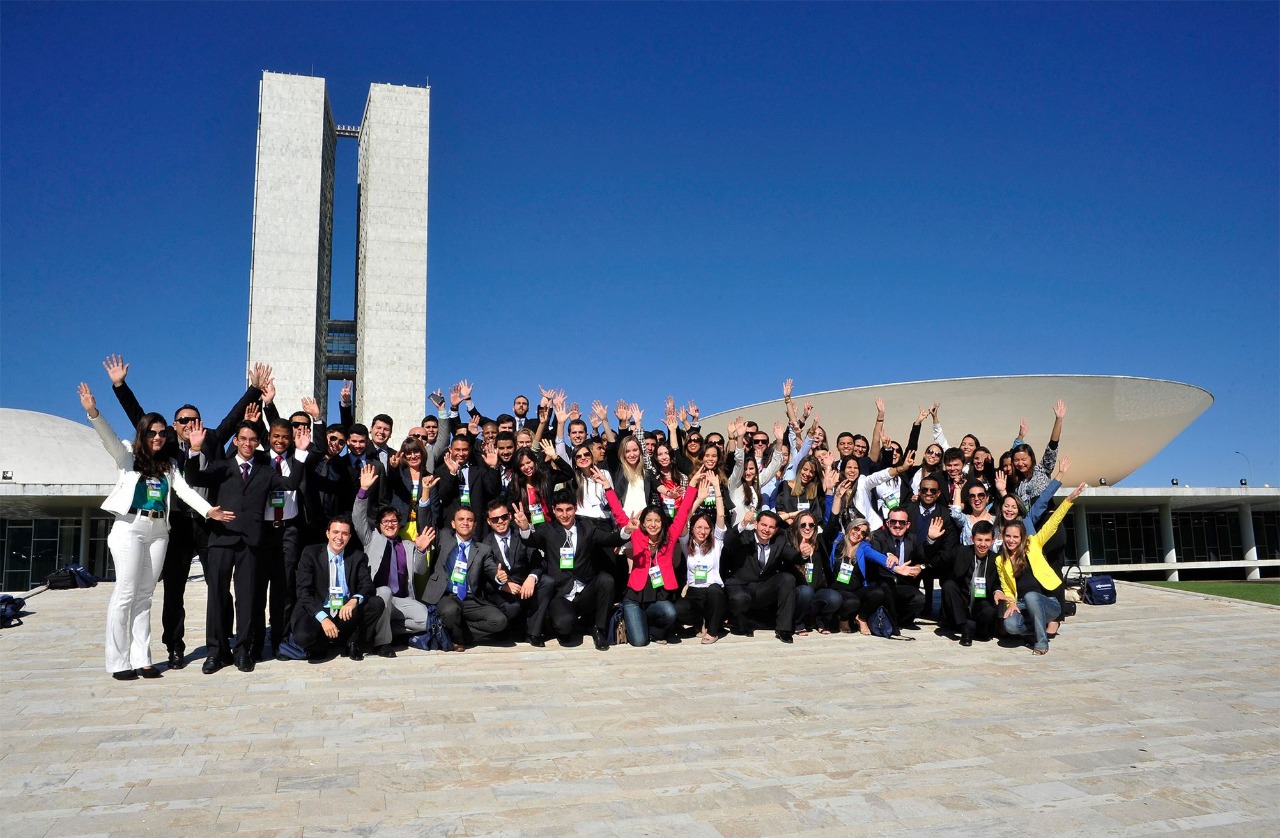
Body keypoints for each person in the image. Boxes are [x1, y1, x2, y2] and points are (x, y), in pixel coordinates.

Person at [101, 355, 265, 669]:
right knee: (173, 591)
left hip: (209, 524)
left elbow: (234, 418)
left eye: (194, 419)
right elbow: (139, 417)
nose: (190, 424)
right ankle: (175, 647)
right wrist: (120, 386)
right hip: (174, 526)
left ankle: (224, 645)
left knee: (219, 588)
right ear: (175, 426)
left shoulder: (214, 439)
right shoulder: (167, 448)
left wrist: (254, 390)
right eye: (183, 421)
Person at [79, 383, 234, 680]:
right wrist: (93, 413)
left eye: (162, 433)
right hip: (130, 528)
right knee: (125, 593)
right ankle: (118, 661)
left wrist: (208, 510)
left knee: (145, 596)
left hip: (159, 530)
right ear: (143, 434)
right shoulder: (127, 457)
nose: (158, 437)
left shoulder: (168, 466)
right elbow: (107, 436)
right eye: (153, 432)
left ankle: (143, 658)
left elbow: (185, 491)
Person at [184, 418, 308, 674]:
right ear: (236, 441)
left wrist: (302, 452)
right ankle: (216, 652)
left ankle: (243, 651)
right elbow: (194, 476)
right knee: (217, 595)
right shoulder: (223, 467)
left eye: (253, 439)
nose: (248, 443)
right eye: (244, 439)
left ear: (258, 443)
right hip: (221, 538)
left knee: (248, 598)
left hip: (251, 543)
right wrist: (195, 450)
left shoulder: (265, 472)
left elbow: (291, 484)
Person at [603, 468, 705, 647]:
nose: (653, 524)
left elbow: (683, 512)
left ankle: (651, 628)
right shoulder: (637, 536)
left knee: (670, 612)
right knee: (639, 642)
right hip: (634, 598)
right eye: (648, 520)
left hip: (657, 597)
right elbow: (618, 513)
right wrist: (607, 488)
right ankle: (631, 617)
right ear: (642, 523)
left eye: (657, 520)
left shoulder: (670, 536)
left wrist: (693, 484)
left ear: (662, 523)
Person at [515, 489, 623, 650]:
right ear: (553, 510)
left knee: (606, 580)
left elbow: (608, 539)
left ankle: (599, 629)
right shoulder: (548, 529)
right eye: (559, 510)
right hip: (561, 594)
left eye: (568, 509)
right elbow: (532, 540)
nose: (564, 515)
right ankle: (566, 623)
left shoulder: (587, 527)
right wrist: (524, 527)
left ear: (575, 508)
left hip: (585, 590)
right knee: (565, 627)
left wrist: (627, 531)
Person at [351, 465, 434, 655]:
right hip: (378, 597)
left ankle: (380, 630)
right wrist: (363, 490)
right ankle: (382, 644)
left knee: (426, 618)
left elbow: (420, 571)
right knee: (386, 592)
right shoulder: (371, 538)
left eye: (394, 521)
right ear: (379, 525)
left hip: (401, 601)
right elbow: (358, 518)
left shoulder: (407, 545)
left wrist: (421, 550)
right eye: (385, 522)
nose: (390, 525)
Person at [994, 483, 1086, 654]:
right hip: (1022, 604)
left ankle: (1041, 642)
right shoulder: (1001, 560)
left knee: (1031, 596)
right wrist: (1011, 604)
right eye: (1008, 536)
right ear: (1003, 536)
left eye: (1016, 537)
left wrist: (1068, 500)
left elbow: (1052, 524)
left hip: (1048, 602)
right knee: (1010, 625)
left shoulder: (1033, 544)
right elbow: (1007, 587)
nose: (1011, 540)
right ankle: (1034, 630)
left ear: (1022, 537)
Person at [291, 515, 385, 661]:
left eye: (344, 533)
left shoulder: (358, 556)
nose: (339, 537)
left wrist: (354, 600)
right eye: (335, 532)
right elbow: (303, 592)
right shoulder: (310, 553)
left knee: (376, 604)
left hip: (345, 609)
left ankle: (352, 641)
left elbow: (367, 585)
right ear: (327, 533)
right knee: (303, 637)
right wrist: (323, 619)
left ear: (349, 537)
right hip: (319, 608)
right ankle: (324, 644)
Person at [421, 506, 508, 650]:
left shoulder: (483, 550)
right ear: (453, 524)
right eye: (461, 519)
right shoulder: (443, 538)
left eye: (470, 520)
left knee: (499, 621)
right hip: (447, 595)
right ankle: (456, 638)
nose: (465, 523)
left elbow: (492, 568)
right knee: (450, 611)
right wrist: (425, 494)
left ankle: (454, 635)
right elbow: (425, 523)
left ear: (475, 525)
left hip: (470, 598)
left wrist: (499, 576)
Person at [722, 510, 802, 643]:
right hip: (740, 586)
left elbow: (794, 557)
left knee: (787, 579)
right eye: (763, 525)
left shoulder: (779, 541)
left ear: (776, 529)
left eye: (771, 527)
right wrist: (742, 523)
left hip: (762, 587)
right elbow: (727, 540)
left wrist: (803, 554)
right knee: (741, 598)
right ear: (756, 524)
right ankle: (738, 621)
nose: (766, 530)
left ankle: (784, 629)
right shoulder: (744, 537)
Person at [481, 498, 554, 642]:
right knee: (511, 608)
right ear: (489, 522)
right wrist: (502, 585)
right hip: (503, 593)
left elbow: (538, 560)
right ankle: (508, 630)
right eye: (495, 519)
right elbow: (484, 577)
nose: (500, 521)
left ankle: (533, 632)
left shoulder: (521, 535)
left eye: (504, 517)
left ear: (509, 516)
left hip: (525, 586)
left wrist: (532, 577)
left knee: (547, 582)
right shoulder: (485, 543)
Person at [676, 489, 729, 644]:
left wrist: (717, 489)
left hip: (712, 591)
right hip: (694, 592)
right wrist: (699, 499)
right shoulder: (687, 543)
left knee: (715, 591)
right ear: (692, 528)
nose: (702, 531)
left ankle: (712, 632)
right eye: (699, 527)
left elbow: (720, 516)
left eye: (706, 528)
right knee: (678, 609)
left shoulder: (717, 542)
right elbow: (683, 518)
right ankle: (700, 623)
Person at [938, 520, 1002, 646]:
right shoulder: (961, 552)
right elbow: (940, 559)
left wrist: (997, 590)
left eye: (987, 540)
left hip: (980, 602)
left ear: (993, 540)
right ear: (972, 539)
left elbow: (997, 582)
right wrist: (932, 540)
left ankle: (979, 629)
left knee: (989, 610)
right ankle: (965, 628)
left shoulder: (996, 559)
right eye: (979, 540)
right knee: (949, 585)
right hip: (961, 605)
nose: (983, 544)